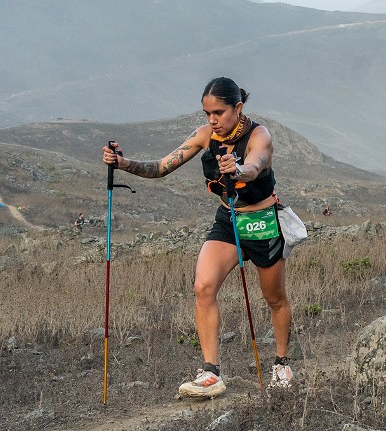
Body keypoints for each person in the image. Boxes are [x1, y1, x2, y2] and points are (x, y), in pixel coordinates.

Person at [101, 77, 294, 398]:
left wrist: (238, 170)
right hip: (228, 219)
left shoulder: (259, 135)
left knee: (274, 298)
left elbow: (256, 165)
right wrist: (123, 164)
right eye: (207, 113)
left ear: (238, 108)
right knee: (203, 287)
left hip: (262, 222)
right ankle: (211, 373)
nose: (212, 120)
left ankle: (281, 364)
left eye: (218, 113)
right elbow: (161, 167)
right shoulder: (205, 135)